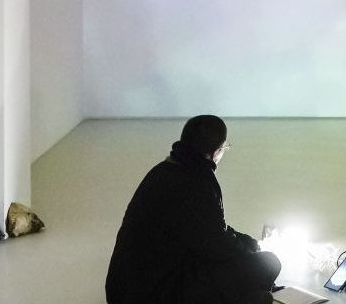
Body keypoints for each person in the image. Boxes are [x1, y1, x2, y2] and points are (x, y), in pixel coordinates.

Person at [106, 115, 281, 303]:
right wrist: (250, 251)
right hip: (153, 294)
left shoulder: (163, 171)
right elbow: (217, 246)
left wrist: (245, 241)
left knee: (252, 277)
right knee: (268, 264)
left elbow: (207, 229)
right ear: (218, 151)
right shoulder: (196, 181)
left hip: (124, 290)